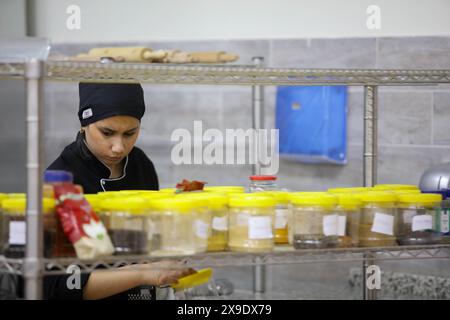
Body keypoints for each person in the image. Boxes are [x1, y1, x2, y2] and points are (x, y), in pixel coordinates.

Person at [43, 82, 194, 300]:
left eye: (130, 133)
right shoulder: (63, 180)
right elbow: (61, 285)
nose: (119, 147)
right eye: (107, 133)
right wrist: (143, 273)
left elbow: (147, 245)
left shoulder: (140, 165)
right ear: (84, 124)